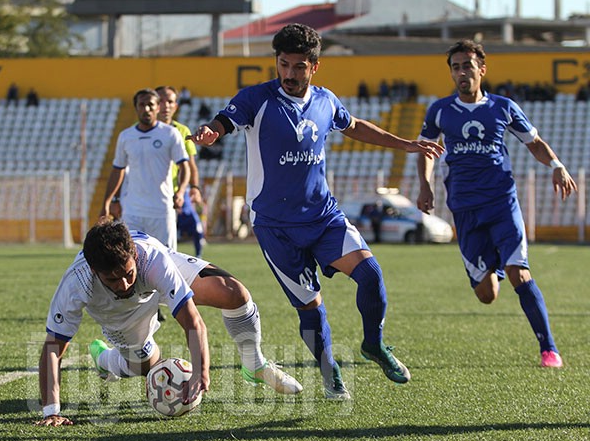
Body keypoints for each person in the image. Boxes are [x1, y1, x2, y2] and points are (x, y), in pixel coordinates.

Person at [187, 23, 444, 399]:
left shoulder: (325, 101)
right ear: (276, 62)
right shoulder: (256, 99)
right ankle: (330, 371)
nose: (289, 73)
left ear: (314, 67)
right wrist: (211, 131)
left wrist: (405, 145)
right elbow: (226, 121)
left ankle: (373, 344)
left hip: (324, 217)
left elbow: (354, 126)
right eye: (283, 64)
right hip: (275, 226)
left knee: (371, 276)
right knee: (310, 305)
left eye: (298, 66)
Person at [36, 220, 302, 426]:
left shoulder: (152, 260)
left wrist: (200, 371)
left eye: (128, 274)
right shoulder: (77, 283)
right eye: (114, 280)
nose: (125, 284)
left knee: (233, 293)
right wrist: (52, 411)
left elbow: (192, 322)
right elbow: (53, 347)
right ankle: (105, 359)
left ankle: (254, 365)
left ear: (134, 258)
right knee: (147, 366)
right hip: (115, 311)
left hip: (155, 265)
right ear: (95, 271)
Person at [416, 39, 577, 369]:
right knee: (487, 294)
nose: (462, 72)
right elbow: (427, 150)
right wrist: (425, 185)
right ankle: (497, 263)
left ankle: (549, 349)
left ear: (482, 70)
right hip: (464, 208)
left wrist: (557, 164)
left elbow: (534, 143)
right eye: (456, 67)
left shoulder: (503, 107)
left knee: (520, 273)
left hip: (503, 203)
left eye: (468, 66)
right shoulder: (440, 110)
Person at [100, 88, 189, 251]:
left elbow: (185, 167)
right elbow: (117, 170)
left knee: (167, 260)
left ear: (157, 107)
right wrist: (108, 201)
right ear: (136, 107)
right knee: (131, 258)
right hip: (133, 211)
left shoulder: (170, 134)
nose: (146, 109)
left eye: (150, 105)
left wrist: (181, 192)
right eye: (142, 105)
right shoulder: (126, 136)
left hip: (161, 211)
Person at [156, 85, 206, 257]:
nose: (165, 105)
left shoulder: (182, 131)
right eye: (161, 101)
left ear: (176, 106)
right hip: (152, 193)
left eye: (170, 101)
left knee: (196, 229)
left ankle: (196, 263)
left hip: (179, 191)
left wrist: (195, 188)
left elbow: (191, 164)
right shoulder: (139, 131)